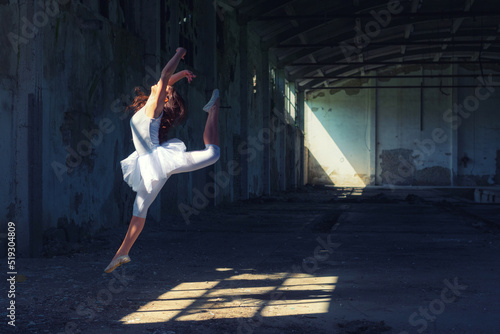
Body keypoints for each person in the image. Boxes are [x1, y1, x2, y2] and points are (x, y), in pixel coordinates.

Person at [104, 47, 220, 273]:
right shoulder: (150, 106)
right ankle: (122, 253)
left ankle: (213, 110)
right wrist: (183, 72)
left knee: (213, 154)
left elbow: (164, 77)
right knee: (139, 208)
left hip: (158, 160)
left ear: (164, 97)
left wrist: (178, 55)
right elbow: (165, 80)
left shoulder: (155, 106)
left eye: (162, 87)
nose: (157, 84)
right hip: (148, 163)